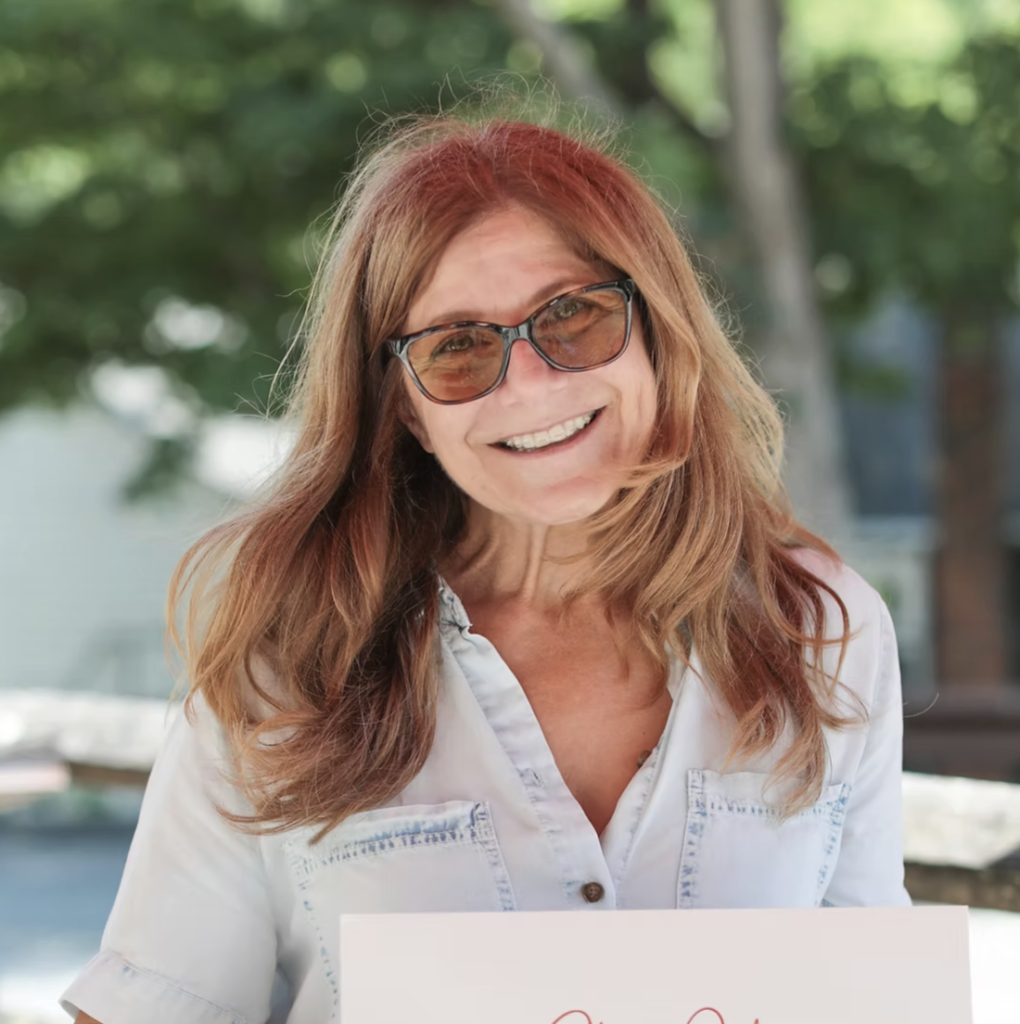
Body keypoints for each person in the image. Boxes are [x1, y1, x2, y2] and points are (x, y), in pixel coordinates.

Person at [63, 102, 910, 1024]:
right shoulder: (292, 658)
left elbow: (879, 996)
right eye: (458, 347)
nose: (532, 385)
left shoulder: (823, 629)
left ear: (659, 329)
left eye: (574, 315)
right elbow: (150, 1006)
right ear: (403, 405)